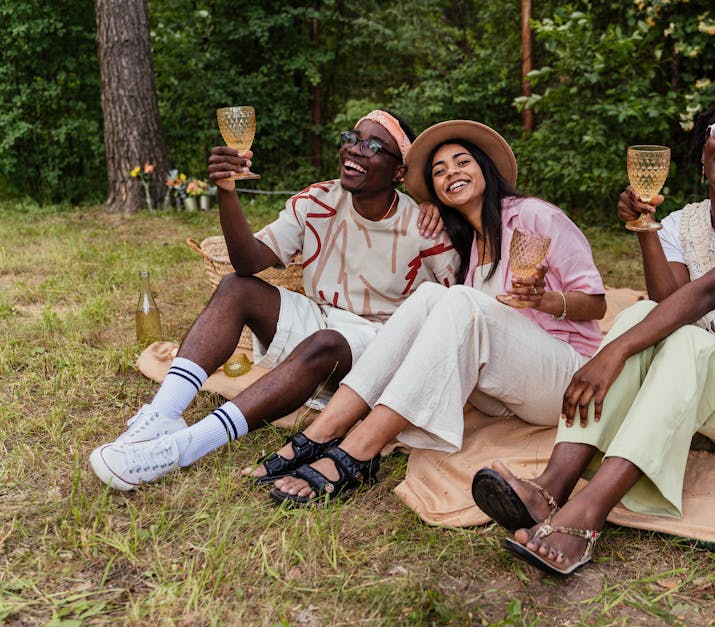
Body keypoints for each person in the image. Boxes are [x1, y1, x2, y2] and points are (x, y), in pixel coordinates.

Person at [471, 88, 715, 576]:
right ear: (704, 148)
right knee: (642, 316)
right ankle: (552, 486)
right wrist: (646, 227)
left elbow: (705, 295)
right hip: (704, 402)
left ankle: (588, 515)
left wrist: (611, 352)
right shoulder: (681, 223)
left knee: (676, 340)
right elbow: (668, 303)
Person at [240, 120, 607, 506]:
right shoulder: (464, 243)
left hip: (565, 380)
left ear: (485, 168)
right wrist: (429, 208)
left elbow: (595, 302)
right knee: (433, 294)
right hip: (500, 393)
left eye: (463, 162)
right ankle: (320, 433)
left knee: (457, 301)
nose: (453, 174)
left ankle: (358, 451)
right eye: (440, 171)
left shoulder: (534, 216)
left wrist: (545, 300)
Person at [90, 110, 460, 491]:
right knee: (237, 286)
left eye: (372, 146)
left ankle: (185, 447)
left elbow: (453, 312)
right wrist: (227, 190)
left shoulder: (423, 226)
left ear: (398, 172)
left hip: (380, 345)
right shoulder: (318, 200)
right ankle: (163, 414)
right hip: (320, 319)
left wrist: (434, 203)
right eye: (351, 137)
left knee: (325, 342)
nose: (354, 149)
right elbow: (248, 261)